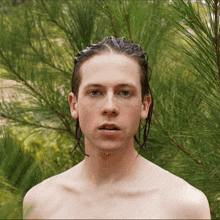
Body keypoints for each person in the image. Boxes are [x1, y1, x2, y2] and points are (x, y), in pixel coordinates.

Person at [23, 37, 211, 219]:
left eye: (125, 93)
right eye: (95, 92)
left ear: (145, 105)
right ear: (74, 105)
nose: (110, 107)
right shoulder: (41, 203)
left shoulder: (185, 206)